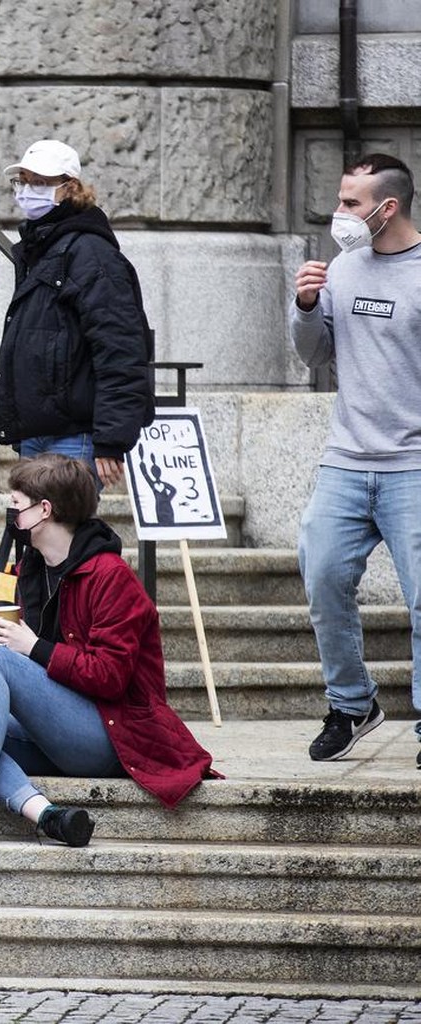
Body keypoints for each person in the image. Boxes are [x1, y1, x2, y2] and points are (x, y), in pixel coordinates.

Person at [0, 454, 214, 847]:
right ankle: (45, 812)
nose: (11, 514)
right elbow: (25, 647)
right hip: (58, 730)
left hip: (112, 733)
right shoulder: (36, 568)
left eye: (16, 505)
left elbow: (109, 677)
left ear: (45, 509)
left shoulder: (110, 576)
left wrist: (34, 647)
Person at [291, 153, 421, 764]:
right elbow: (314, 357)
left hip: (414, 465)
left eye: (351, 203)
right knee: (322, 578)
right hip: (345, 458)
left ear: (386, 207)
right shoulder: (342, 268)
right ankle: (351, 703)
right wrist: (307, 306)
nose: (339, 213)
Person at [0, 139, 153, 488]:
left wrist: (110, 439)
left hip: (75, 436)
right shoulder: (42, 247)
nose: (26, 191)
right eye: (22, 180)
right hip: (39, 433)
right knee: (41, 538)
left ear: (70, 189)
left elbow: (122, 349)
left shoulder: (90, 253)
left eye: (39, 182)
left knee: (65, 537)